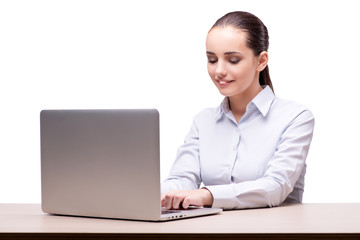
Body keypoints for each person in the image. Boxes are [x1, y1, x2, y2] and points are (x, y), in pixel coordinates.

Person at [161, 11, 315, 210]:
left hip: (274, 232)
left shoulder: (295, 117)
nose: (219, 71)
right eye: (212, 59)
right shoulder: (203, 121)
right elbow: (181, 178)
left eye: (232, 60)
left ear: (261, 61)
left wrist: (207, 194)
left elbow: (275, 186)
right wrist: (162, 194)